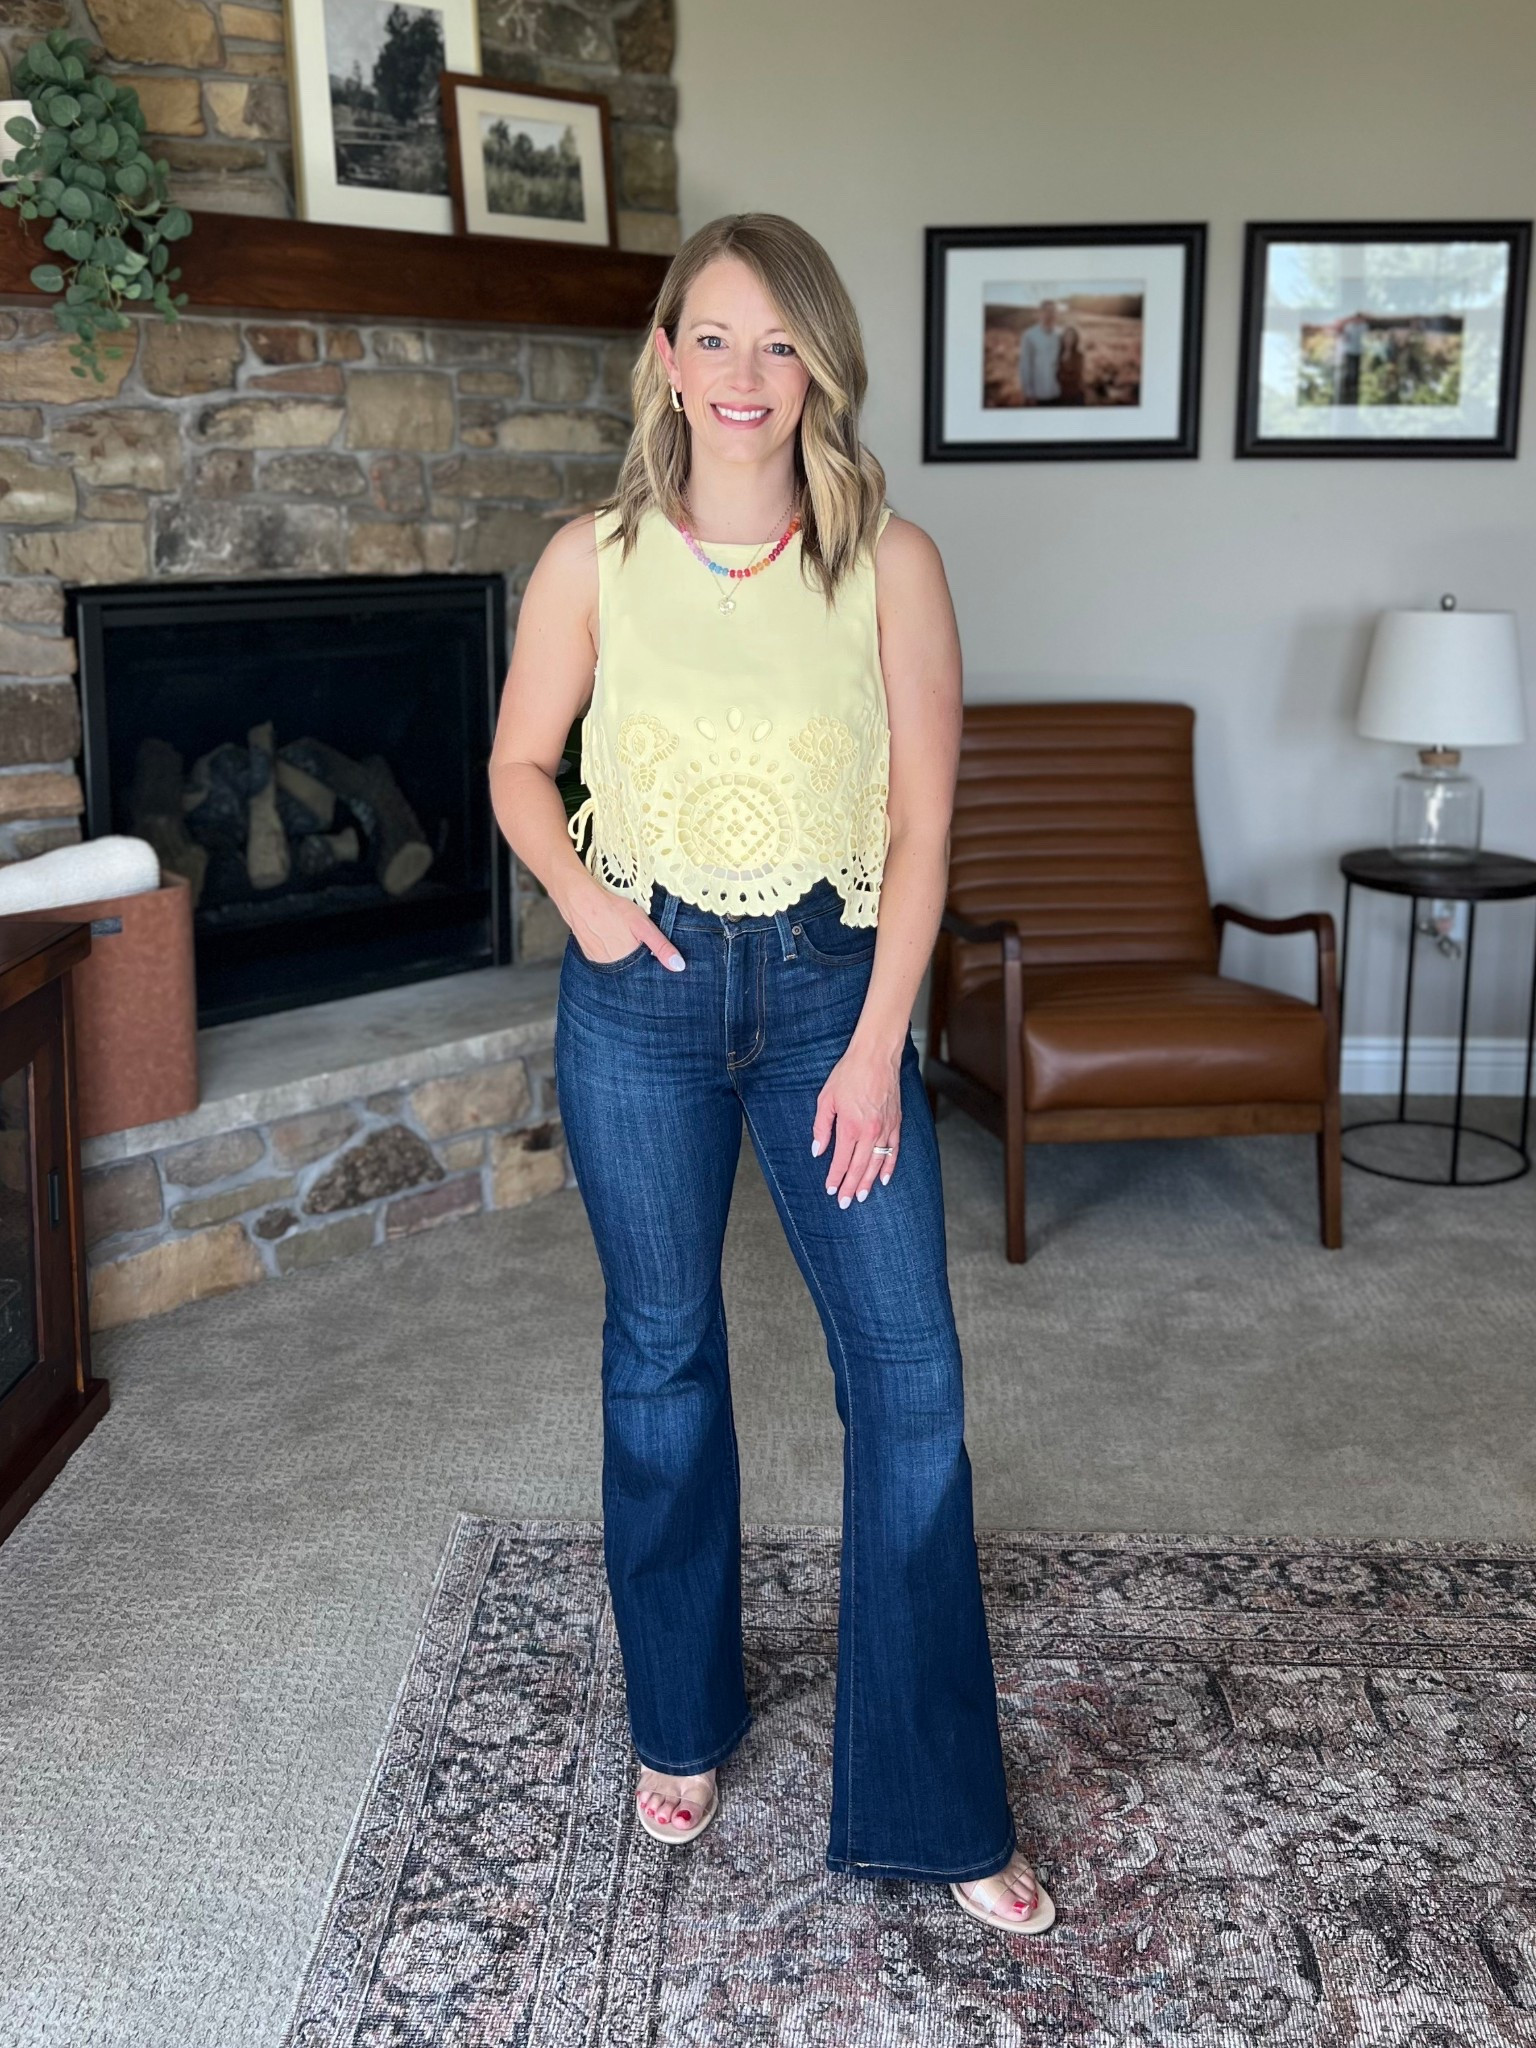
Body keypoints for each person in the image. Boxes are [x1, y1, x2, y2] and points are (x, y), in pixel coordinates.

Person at [488, 212, 1054, 1936]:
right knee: (659, 1354)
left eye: (778, 342)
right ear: (665, 356)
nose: (744, 376)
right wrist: (583, 902)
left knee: (909, 1377)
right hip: (640, 997)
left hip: (831, 990)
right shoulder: (591, 556)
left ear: (820, 364)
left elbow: (926, 820)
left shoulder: (890, 561)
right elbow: (519, 764)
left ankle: (938, 1804)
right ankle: (683, 1715)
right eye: (713, 339)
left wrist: (881, 1041)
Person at [1017, 297, 1064, 404]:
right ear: (1040, 313)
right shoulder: (1029, 335)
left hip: (1059, 392)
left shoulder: (1061, 334)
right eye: (1046, 311)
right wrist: (1028, 393)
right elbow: (1025, 365)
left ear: (1057, 314)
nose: (1050, 314)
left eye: (1053, 311)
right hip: (1038, 394)